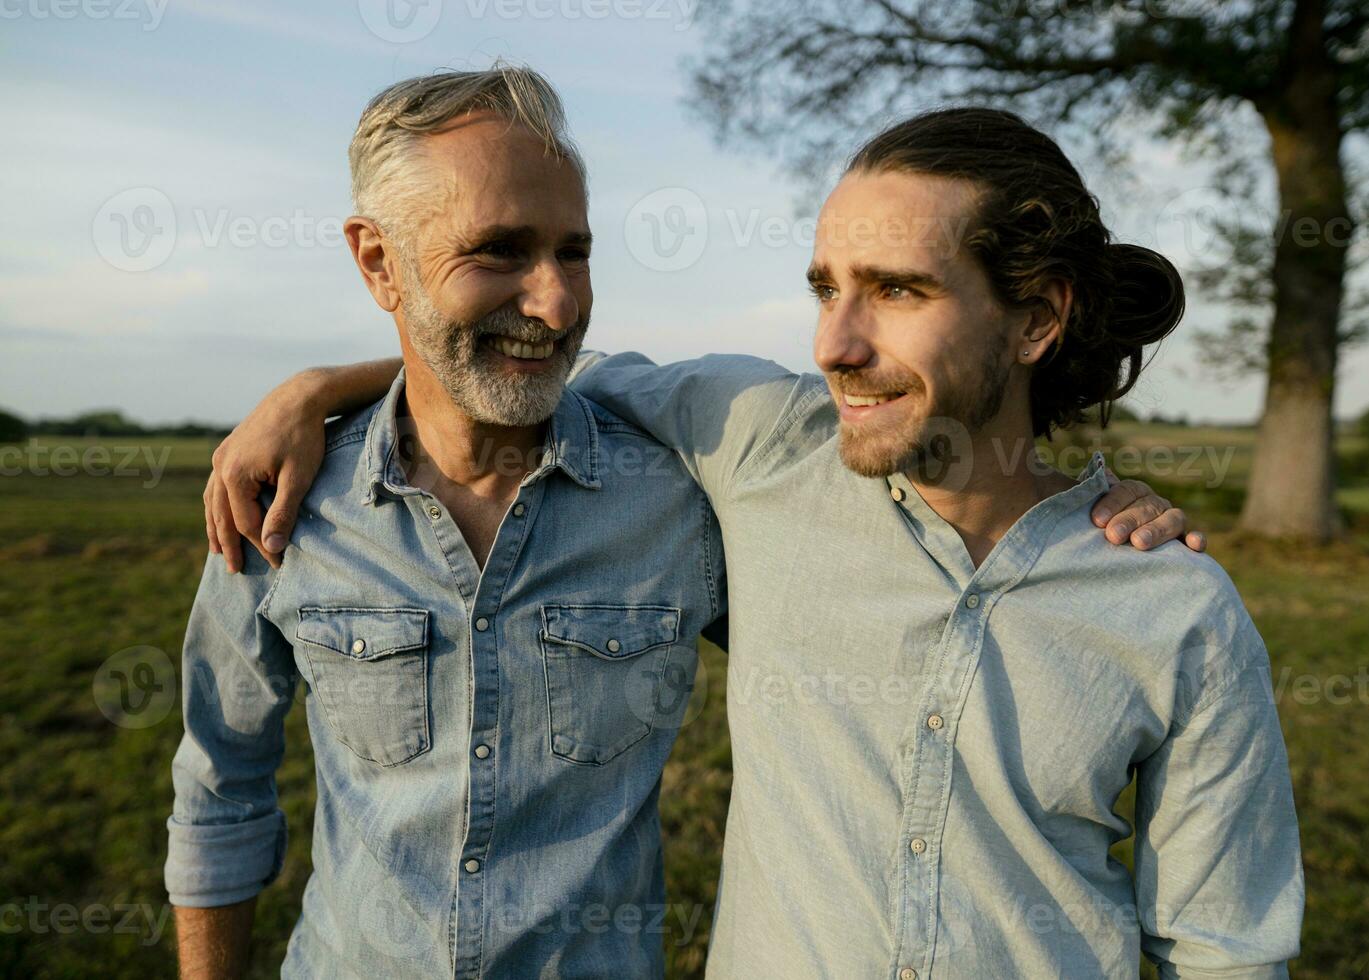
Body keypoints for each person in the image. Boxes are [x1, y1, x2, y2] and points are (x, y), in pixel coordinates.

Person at [208, 92, 1302, 978]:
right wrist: (315, 391)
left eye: (896, 290)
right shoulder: (761, 447)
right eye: (826, 287)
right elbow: (510, 361)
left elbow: (1225, 946)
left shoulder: (1169, 603)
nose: (834, 341)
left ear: (1036, 317)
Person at [167, 67, 725, 978]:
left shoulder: (676, 508)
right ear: (378, 262)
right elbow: (219, 785)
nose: (557, 303)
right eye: (500, 250)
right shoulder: (282, 504)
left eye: (574, 252)